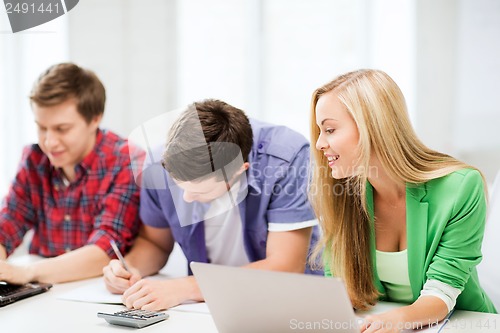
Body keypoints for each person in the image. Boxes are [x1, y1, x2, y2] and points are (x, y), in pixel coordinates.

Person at [309, 69, 496, 332]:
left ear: (372, 125)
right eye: (320, 131)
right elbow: (341, 292)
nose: (319, 143)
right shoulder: (342, 195)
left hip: (460, 325)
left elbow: (442, 293)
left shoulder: (460, 186)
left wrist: (395, 321)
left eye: (329, 129)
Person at [103, 99, 320, 311]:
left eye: (199, 190)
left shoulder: (286, 159)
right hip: (205, 308)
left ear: (238, 171)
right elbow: (155, 243)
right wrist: (129, 268)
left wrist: (184, 288)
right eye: (180, 186)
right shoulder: (158, 164)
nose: (186, 198)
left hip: (279, 305)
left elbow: (286, 267)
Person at [0, 63, 141, 284]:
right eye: (41, 127)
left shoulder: (126, 160)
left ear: (95, 119)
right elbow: (9, 222)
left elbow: (106, 248)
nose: (49, 142)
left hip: (100, 288)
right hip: (45, 290)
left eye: (61, 129)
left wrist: (28, 272)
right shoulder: (34, 158)